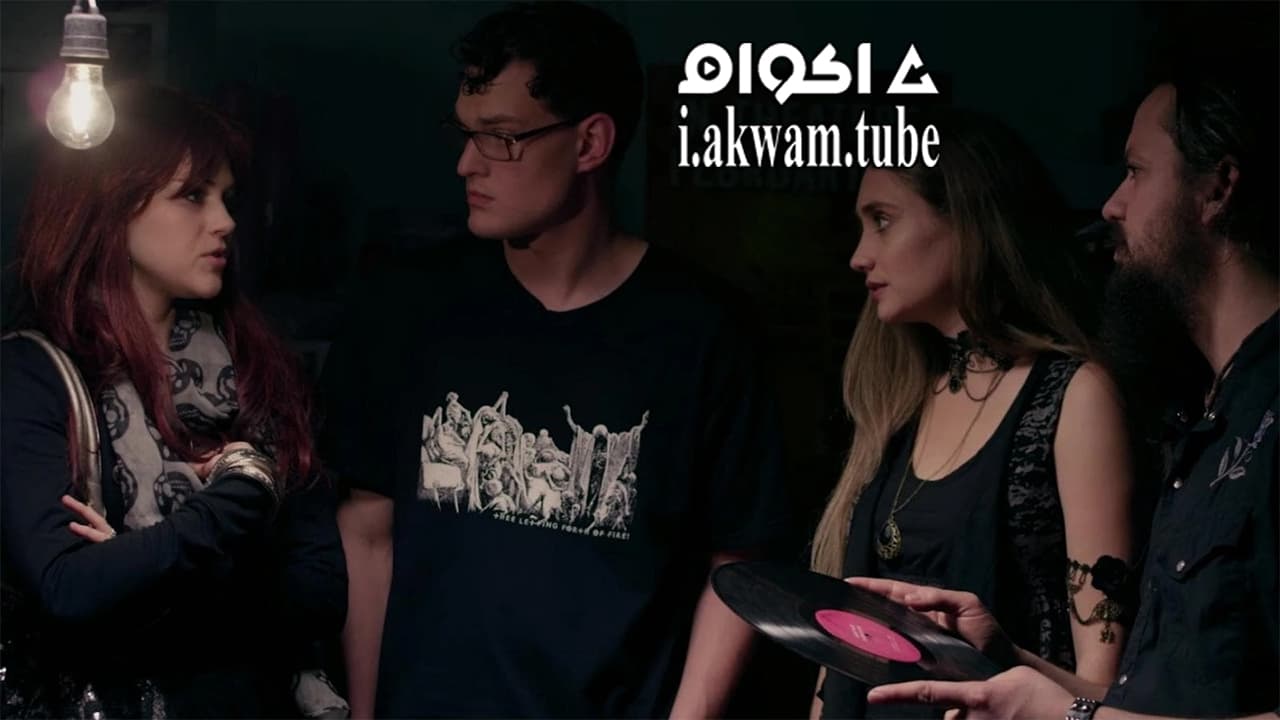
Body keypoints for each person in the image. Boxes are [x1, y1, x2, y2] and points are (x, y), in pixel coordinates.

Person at [320, 2, 790, 718]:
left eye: (501, 137)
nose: (467, 163)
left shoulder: (706, 333)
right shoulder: (405, 307)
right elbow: (367, 531)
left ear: (590, 142)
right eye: (466, 133)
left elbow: (738, 563)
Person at [857, 48, 1278, 720]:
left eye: (1136, 171)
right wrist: (1008, 660)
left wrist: (1066, 717)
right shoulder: (1206, 416)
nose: (1111, 205)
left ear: (1217, 188)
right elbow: (1148, 705)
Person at [0, 83, 348, 718]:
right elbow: (68, 588)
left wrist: (142, 572)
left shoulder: (258, 369)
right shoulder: (36, 374)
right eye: (192, 195)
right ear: (109, 206)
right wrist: (246, 489)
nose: (225, 222)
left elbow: (319, 593)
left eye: (226, 197)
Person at [810, 109, 1136, 719]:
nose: (858, 255)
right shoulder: (898, 404)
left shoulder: (1074, 397)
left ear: (967, 222)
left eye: (883, 221)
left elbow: (1102, 696)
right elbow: (840, 663)